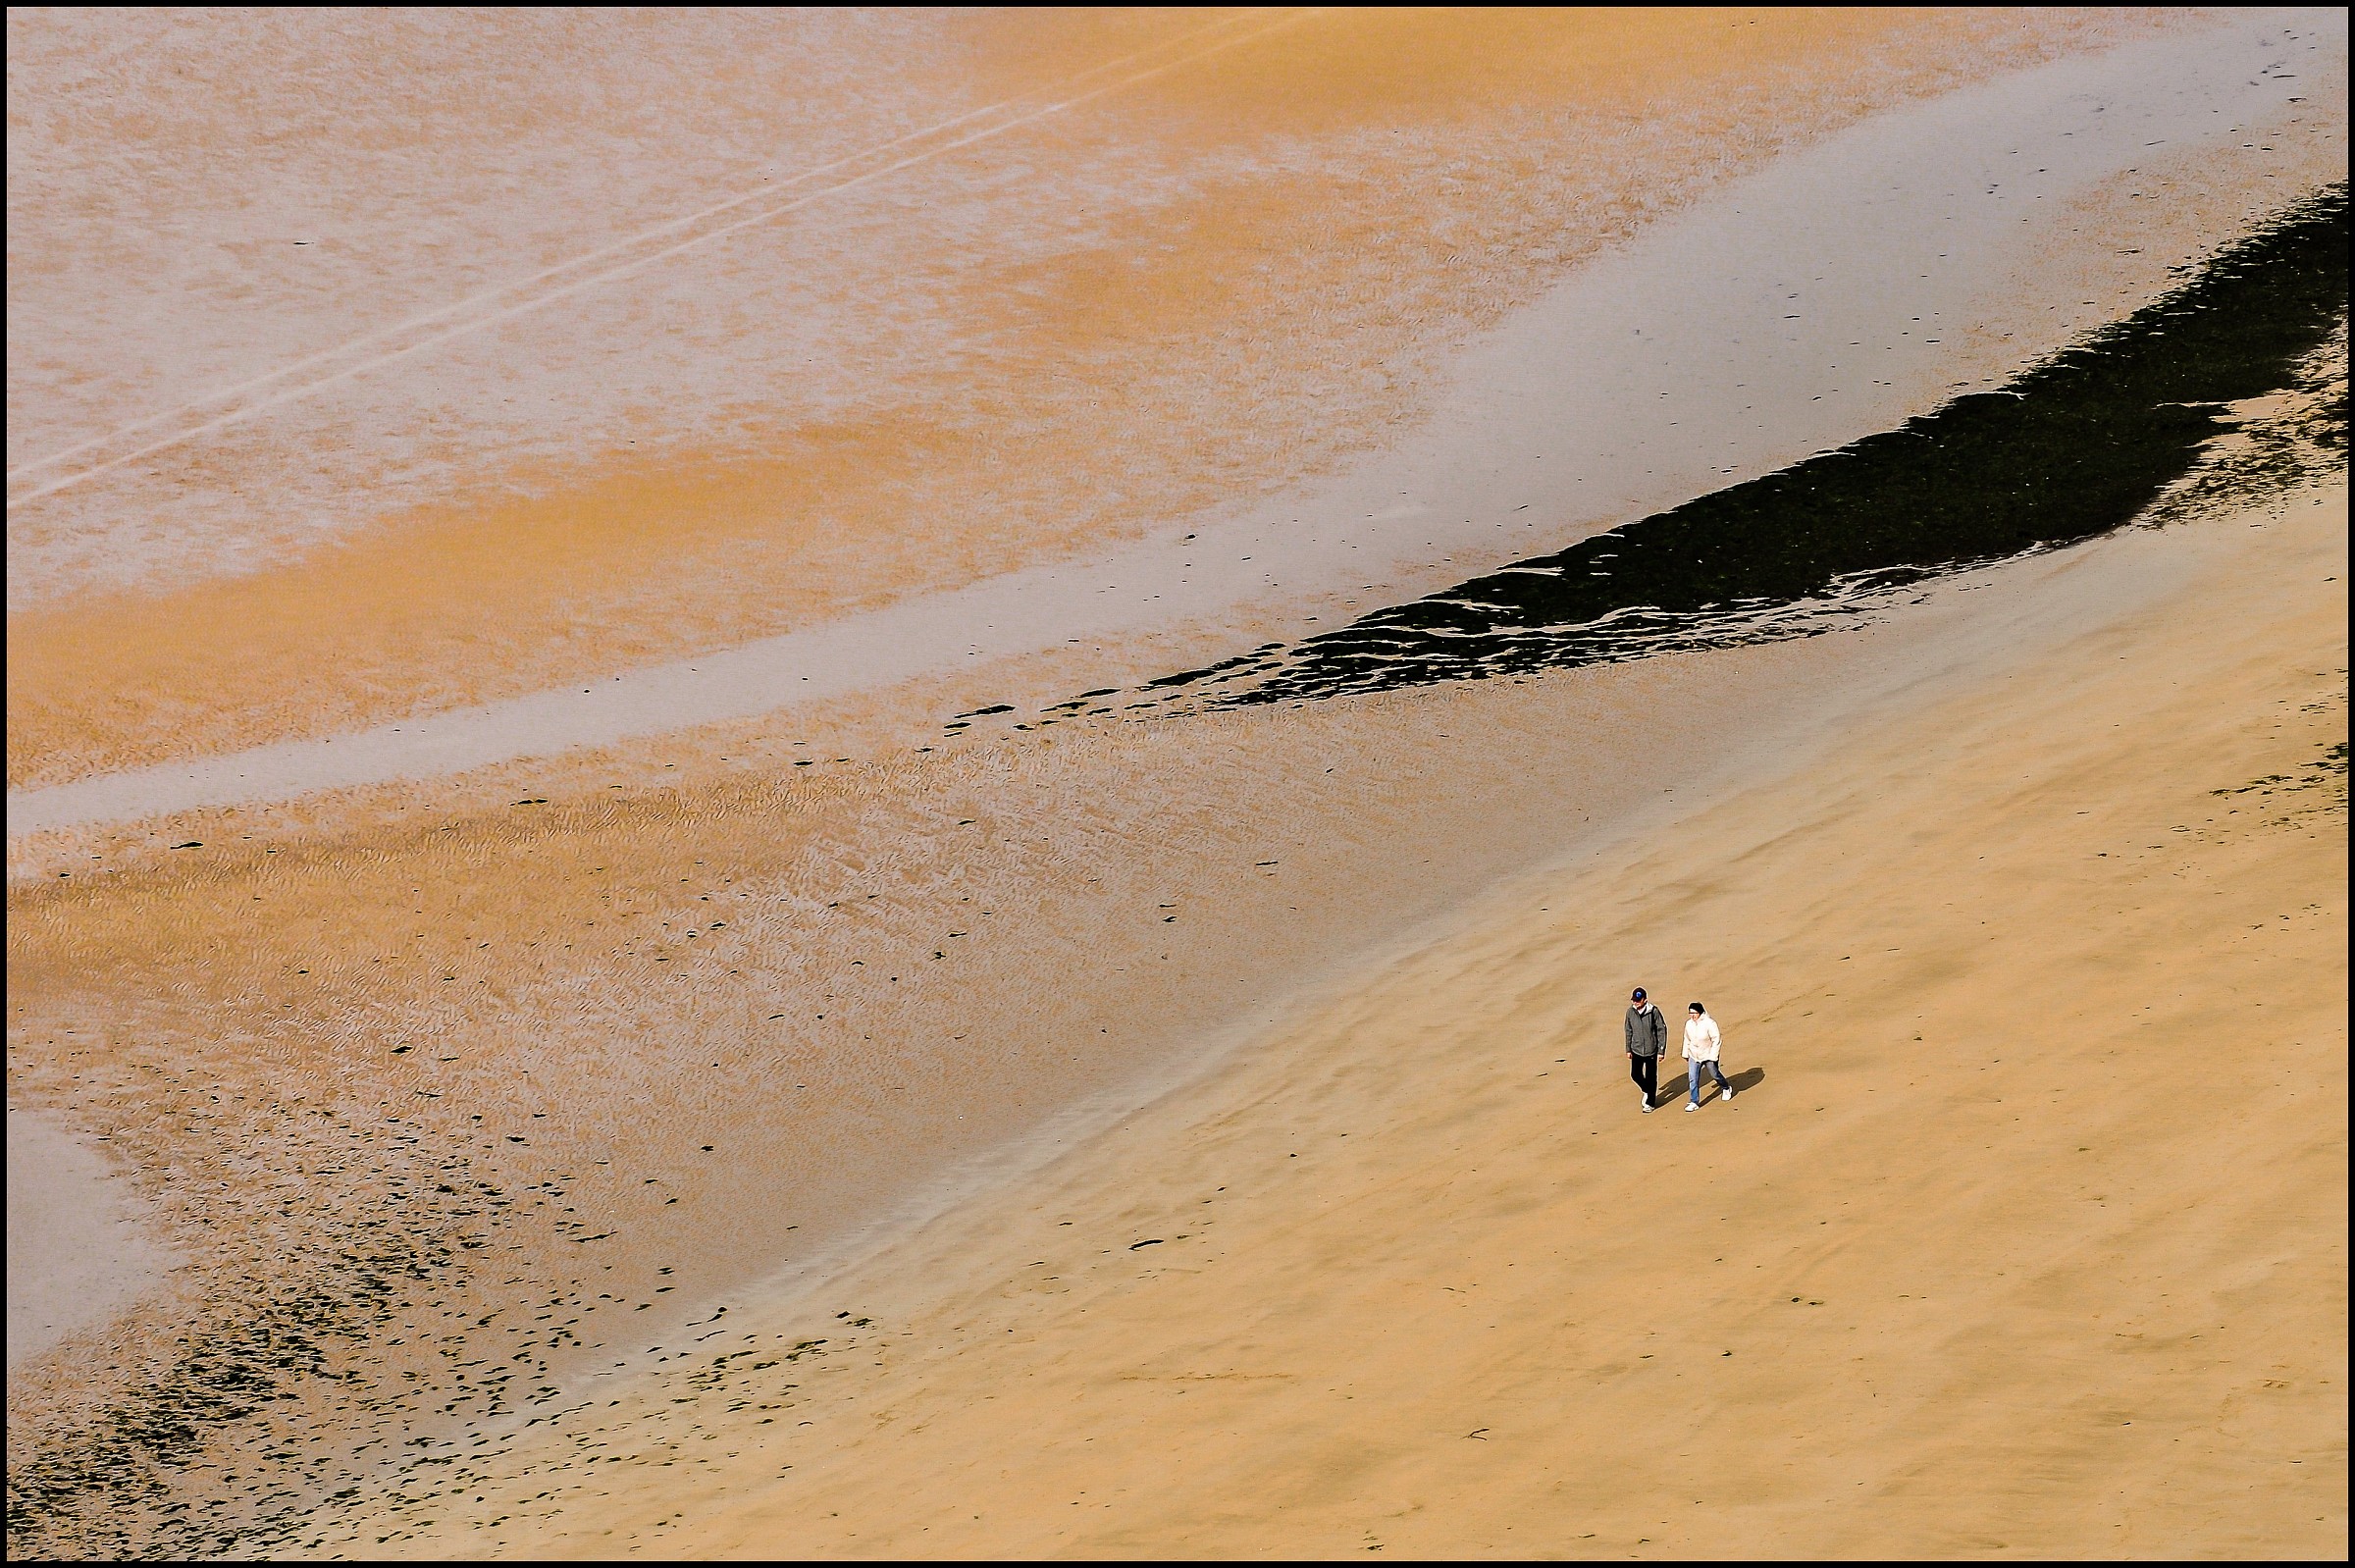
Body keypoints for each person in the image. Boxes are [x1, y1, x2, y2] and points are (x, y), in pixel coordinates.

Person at [1683, 1001, 1733, 1111]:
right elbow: (1687, 1039)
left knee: (1715, 1074)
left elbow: (1716, 1039)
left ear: (1700, 1012)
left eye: (1694, 1013)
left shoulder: (1710, 1023)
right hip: (1694, 1054)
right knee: (1693, 1078)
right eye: (1690, 1013)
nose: (1692, 1015)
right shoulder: (1689, 1024)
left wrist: (1713, 1056)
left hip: (1708, 1054)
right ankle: (1694, 1101)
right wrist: (1685, 1053)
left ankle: (1726, 1087)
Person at [1624, 987, 1666, 1113]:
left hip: (1651, 1050)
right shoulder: (1630, 1012)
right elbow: (1628, 1030)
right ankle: (1647, 1091)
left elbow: (1661, 1030)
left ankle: (1650, 1103)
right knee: (1635, 1074)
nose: (1635, 1003)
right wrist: (1628, 1049)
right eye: (1634, 1000)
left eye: (1638, 1000)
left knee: (1651, 1077)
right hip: (1636, 1049)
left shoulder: (1654, 1012)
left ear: (1645, 1000)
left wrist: (1661, 1051)